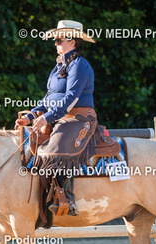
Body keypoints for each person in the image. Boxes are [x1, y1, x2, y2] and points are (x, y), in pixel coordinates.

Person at [15, 20, 99, 217]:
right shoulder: (61, 64)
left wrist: (47, 117)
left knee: (55, 148)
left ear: (72, 41)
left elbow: (71, 99)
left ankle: (66, 199)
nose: (55, 43)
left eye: (59, 40)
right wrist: (30, 116)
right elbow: (48, 98)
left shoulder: (79, 65)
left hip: (78, 118)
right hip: (60, 116)